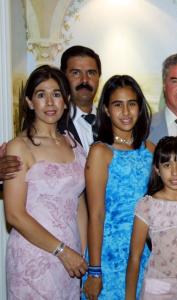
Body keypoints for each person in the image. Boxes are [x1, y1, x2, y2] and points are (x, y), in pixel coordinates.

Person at [4, 65, 88, 299]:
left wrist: (81, 253)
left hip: (71, 259)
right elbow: (14, 215)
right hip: (34, 256)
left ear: (66, 100)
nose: (50, 102)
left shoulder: (73, 143)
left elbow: (79, 204)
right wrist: (62, 251)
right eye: (41, 95)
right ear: (30, 102)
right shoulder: (19, 147)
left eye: (56, 94)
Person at [82, 75, 153, 299]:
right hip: (108, 256)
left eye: (132, 104)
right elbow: (96, 214)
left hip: (145, 255)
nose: (125, 112)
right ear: (106, 109)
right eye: (117, 105)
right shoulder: (100, 152)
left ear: (140, 108)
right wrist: (94, 271)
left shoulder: (151, 150)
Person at [0, 45, 101, 180]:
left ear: (99, 77)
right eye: (76, 73)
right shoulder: (44, 121)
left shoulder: (114, 122)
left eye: (91, 73)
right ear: (63, 77)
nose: (84, 80)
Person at [126, 136, 177, 300]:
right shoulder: (148, 205)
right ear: (157, 169)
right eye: (167, 165)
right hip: (158, 289)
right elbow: (135, 257)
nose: (175, 172)